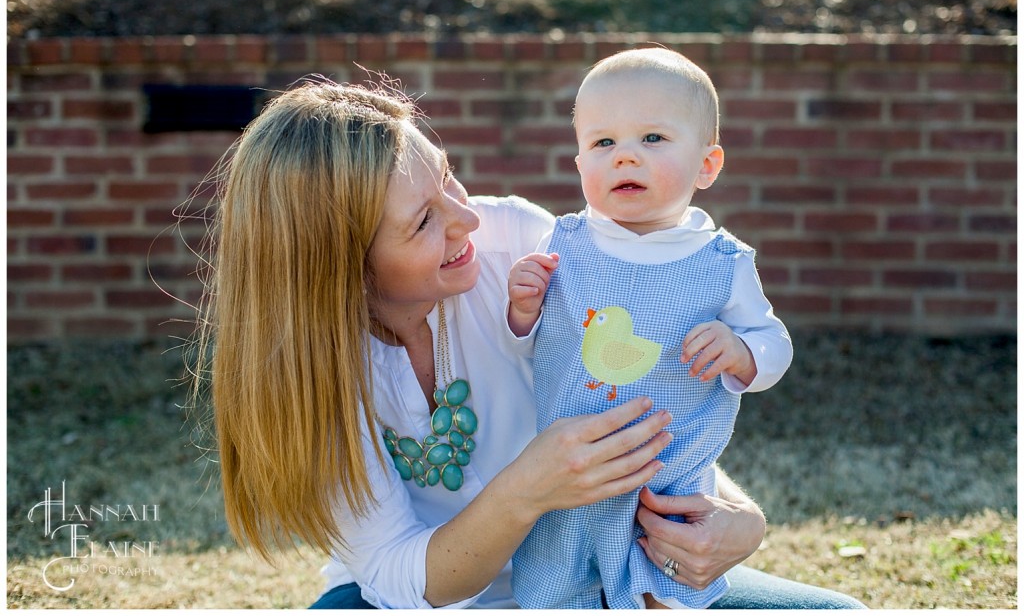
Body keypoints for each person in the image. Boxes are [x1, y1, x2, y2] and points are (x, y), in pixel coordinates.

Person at [191, 75, 865, 610]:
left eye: (448, 177)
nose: (467, 216)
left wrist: (742, 519)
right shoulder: (315, 379)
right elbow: (399, 575)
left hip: (598, 569)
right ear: (341, 269)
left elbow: (636, 384)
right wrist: (527, 490)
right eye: (425, 220)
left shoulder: (518, 241)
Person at [504, 48, 791, 609]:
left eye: (652, 139)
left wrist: (741, 351)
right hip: (572, 475)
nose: (625, 158)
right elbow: (526, 349)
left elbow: (774, 344)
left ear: (707, 166)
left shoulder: (721, 261)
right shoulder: (565, 244)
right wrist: (522, 308)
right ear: (580, 163)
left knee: (664, 588)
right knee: (558, 590)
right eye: (603, 143)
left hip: (669, 480)